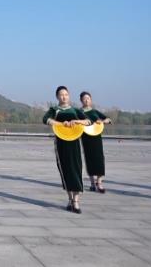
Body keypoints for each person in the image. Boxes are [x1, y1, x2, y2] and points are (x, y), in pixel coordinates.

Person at [42, 86, 91, 214]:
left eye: (66, 94)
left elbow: (88, 121)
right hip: (61, 143)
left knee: (76, 168)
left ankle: (76, 200)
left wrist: (77, 121)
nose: (64, 97)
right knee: (65, 170)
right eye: (61, 94)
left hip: (74, 142)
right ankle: (70, 199)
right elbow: (45, 119)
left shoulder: (75, 110)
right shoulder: (55, 109)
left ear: (69, 96)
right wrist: (61, 124)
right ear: (57, 97)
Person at [79, 91, 112, 193]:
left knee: (99, 159)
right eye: (84, 98)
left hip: (97, 138)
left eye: (88, 98)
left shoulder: (95, 112)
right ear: (81, 100)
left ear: (91, 100)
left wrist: (101, 121)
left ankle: (100, 183)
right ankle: (92, 183)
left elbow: (108, 119)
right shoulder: (79, 112)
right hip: (86, 138)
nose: (87, 100)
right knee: (89, 160)